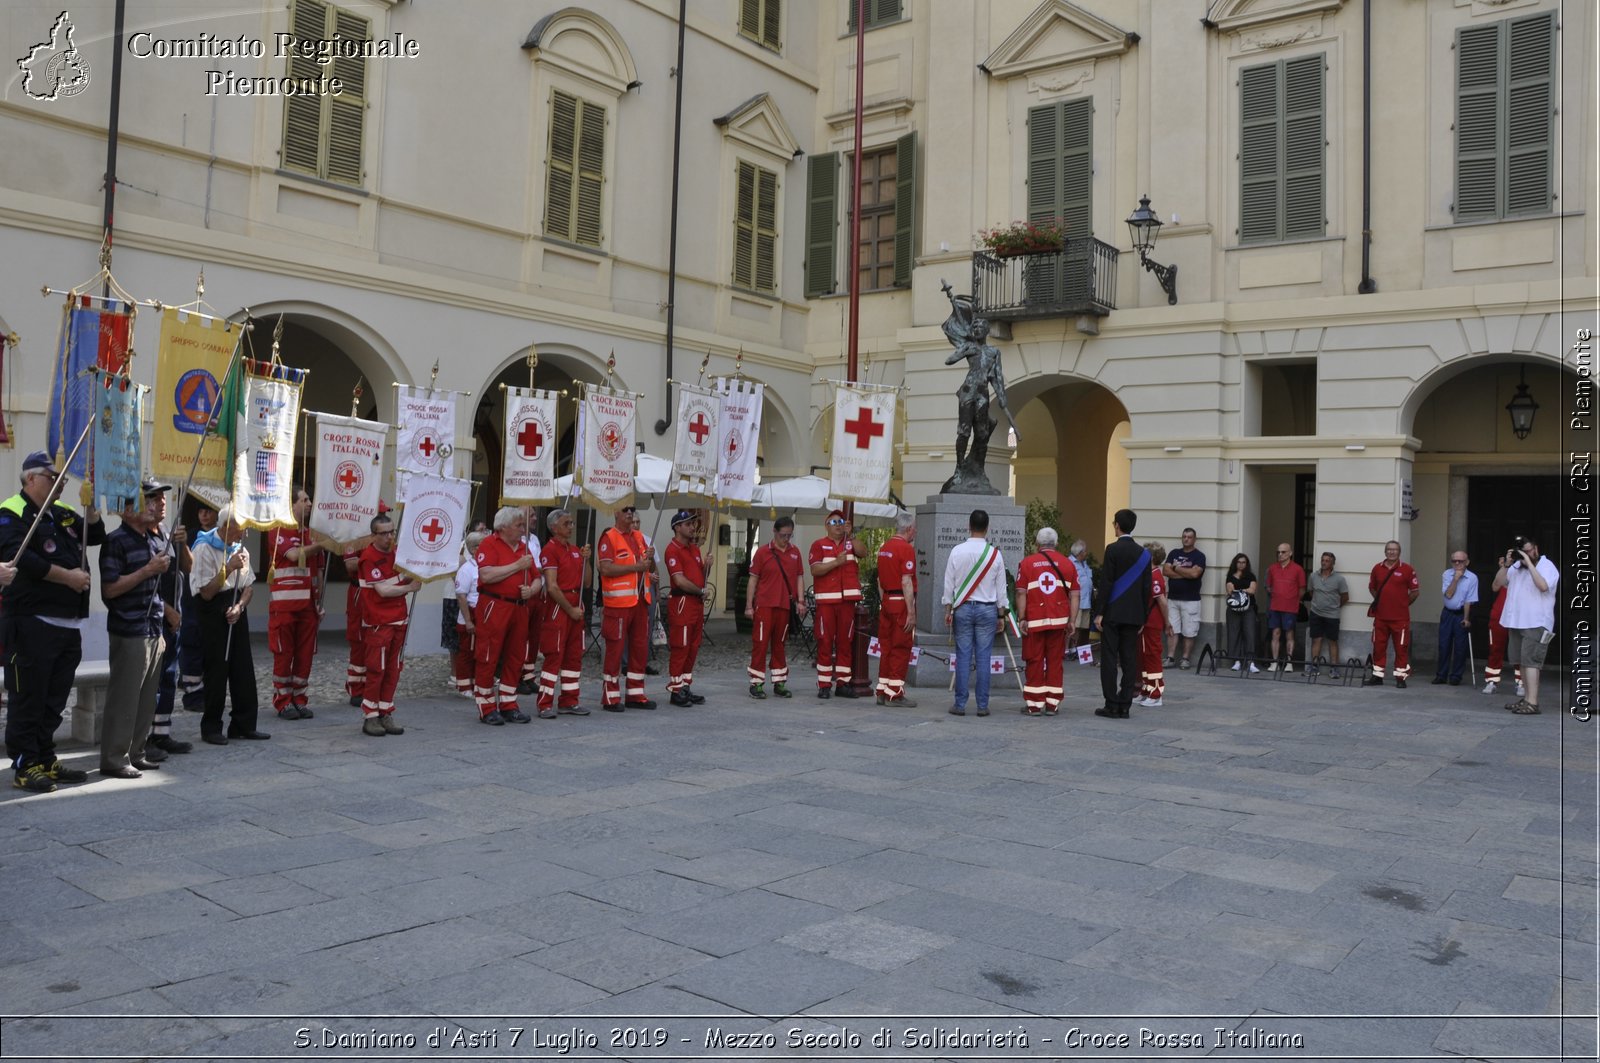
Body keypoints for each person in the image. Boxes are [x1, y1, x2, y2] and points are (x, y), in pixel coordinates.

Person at [1, 451, 105, 791]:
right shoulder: (11, 512)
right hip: (32, 622)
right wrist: (69, 579)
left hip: (67, 624)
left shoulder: (61, 513)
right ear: (31, 478)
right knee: (28, 697)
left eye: (63, 478)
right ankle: (24, 763)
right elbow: (23, 560)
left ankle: (45, 757)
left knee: (54, 698)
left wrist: (90, 504)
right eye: (52, 477)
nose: (60, 483)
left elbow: (97, 534)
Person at [98, 480, 175, 778]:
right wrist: (147, 570)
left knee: (146, 699)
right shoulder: (116, 541)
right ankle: (115, 758)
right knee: (125, 697)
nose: (156, 504)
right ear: (128, 509)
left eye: (158, 499)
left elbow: (155, 589)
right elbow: (110, 590)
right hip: (129, 629)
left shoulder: (154, 540)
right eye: (150, 499)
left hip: (153, 628)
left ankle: (137, 752)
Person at [190, 504, 268, 744]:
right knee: (216, 669)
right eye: (239, 529)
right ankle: (211, 727)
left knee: (242, 667)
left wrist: (240, 606)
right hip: (212, 608)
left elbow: (248, 587)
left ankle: (243, 724)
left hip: (236, 606)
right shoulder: (204, 547)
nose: (243, 535)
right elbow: (206, 592)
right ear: (225, 526)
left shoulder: (241, 548)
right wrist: (229, 567)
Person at [472, 506, 540, 724]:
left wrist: (532, 590)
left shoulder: (524, 548)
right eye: (519, 525)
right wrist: (517, 565)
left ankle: (509, 704)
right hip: (495, 605)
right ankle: (486, 705)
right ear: (503, 527)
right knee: (488, 655)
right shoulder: (489, 544)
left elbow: (537, 577)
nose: (523, 529)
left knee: (515, 656)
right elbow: (486, 574)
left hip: (519, 607)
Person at [942, 509, 1008, 717]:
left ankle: (960, 704)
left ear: (968, 526)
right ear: (987, 528)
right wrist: (1001, 615)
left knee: (962, 657)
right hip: (987, 610)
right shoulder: (995, 554)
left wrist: (948, 608)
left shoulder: (956, 551)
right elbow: (1001, 590)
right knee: (983, 658)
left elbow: (948, 584)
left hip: (962, 608)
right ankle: (982, 705)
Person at [357, 513, 420, 735]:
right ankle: (370, 716)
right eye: (384, 533)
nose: (389, 537)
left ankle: (385, 711)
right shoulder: (369, 557)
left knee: (393, 669)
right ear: (373, 535)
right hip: (379, 622)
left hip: (398, 619)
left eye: (391, 532)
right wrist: (409, 588)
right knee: (377, 669)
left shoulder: (396, 554)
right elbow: (382, 590)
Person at [266, 486, 325, 720]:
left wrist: (319, 601)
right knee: (284, 653)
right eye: (305, 500)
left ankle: (299, 699)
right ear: (292, 505)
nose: (310, 503)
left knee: (305, 654)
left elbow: (318, 570)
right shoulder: (278, 528)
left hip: (308, 606)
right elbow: (293, 555)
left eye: (310, 499)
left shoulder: (313, 534)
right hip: (284, 606)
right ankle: (283, 701)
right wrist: (323, 544)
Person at [598, 504, 657, 711]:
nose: (630, 512)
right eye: (625, 509)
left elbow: (646, 566)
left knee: (640, 650)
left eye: (632, 509)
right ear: (615, 513)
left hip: (641, 601)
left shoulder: (640, 537)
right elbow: (605, 568)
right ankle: (610, 697)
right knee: (615, 651)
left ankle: (636, 694)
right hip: (618, 604)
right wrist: (636, 567)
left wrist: (649, 559)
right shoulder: (609, 537)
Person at [1093, 509, 1151, 719]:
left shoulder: (1112, 549)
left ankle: (1111, 703)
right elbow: (1147, 588)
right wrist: (1143, 616)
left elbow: (1106, 582)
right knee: (1129, 659)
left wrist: (1099, 612)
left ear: (1117, 525)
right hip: (1134, 615)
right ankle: (1125, 704)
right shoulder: (1144, 555)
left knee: (1109, 658)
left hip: (1113, 613)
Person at [1493, 537, 1558, 715]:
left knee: (1532, 663)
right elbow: (1498, 584)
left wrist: (1529, 564)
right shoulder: (1515, 568)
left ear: (1536, 549)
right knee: (1521, 662)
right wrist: (1506, 565)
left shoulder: (1546, 566)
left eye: (1528, 551)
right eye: (1522, 552)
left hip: (1536, 622)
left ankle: (1533, 702)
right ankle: (1527, 698)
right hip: (1516, 622)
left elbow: (1544, 586)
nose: (1525, 555)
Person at [1015, 527, 1077, 715]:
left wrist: (1022, 617)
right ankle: (1052, 704)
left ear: (1037, 543)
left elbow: (1020, 592)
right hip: (1059, 620)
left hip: (1035, 619)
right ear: (1056, 543)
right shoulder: (1067, 564)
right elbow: (1075, 594)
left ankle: (1034, 705)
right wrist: (1072, 620)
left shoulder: (1027, 563)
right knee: (1055, 661)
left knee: (1034, 660)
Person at [146, 504, 191, 760]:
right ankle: (146, 737)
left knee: (169, 677)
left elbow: (188, 567)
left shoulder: (167, 532)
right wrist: (169, 611)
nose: (162, 503)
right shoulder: (145, 536)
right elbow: (147, 583)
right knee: (153, 681)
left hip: (174, 618)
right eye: (154, 498)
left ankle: (162, 732)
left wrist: (183, 544)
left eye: (163, 497)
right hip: (156, 617)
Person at [536, 509, 590, 719]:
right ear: (554, 527)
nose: (571, 527)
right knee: (554, 655)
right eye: (567, 523)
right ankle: (544, 703)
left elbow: (586, 582)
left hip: (576, 603)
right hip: (560, 607)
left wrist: (587, 560)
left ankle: (569, 700)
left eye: (571, 523)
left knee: (574, 657)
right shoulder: (549, 550)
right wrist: (570, 609)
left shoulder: (575, 550)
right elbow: (551, 586)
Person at [745, 516, 805, 699]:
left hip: (784, 605)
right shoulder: (763, 552)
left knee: (780, 645)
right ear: (774, 532)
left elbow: (799, 577)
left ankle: (779, 682)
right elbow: (753, 579)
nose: (786, 539)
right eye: (783, 535)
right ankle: (756, 683)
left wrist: (801, 601)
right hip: (764, 605)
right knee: (761, 644)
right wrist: (749, 606)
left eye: (789, 535)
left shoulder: (795, 552)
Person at [809, 509, 862, 699]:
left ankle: (843, 683)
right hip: (826, 602)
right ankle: (824, 684)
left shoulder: (850, 543)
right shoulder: (819, 545)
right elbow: (815, 570)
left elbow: (863, 552)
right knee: (824, 641)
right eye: (834, 522)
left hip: (847, 602)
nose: (838, 525)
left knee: (845, 642)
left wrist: (852, 534)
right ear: (826, 526)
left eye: (841, 522)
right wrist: (835, 563)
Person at [340, 500, 386, 707]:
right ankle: (356, 689)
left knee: (375, 640)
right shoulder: (354, 537)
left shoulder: (386, 541)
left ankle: (372, 687)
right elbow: (350, 565)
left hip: (380, 593)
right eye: (380, 514)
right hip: (360, 591)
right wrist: (372, 559)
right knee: (358, 640)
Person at [664, 509, 709, 706]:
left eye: (693, 524)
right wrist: (699, 591)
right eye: (689, 524)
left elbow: (698, 575)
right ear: (677, 527)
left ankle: (685, 687)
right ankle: (675, 691)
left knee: (693, 646)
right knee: (680, 646)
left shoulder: (694, 549)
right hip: (683, 603)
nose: (693, 527)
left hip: (695, 605)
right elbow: (680, 580)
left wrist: (707, 567)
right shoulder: (672, 550)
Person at [875, 510, 918, 706]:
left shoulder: (884, 547)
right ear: (908, 529)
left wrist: (883, 600)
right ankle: (895, 693)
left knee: (886, 647)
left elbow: (879, 581)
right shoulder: (905, 549)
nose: (915, 532)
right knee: (901, 647)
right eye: (914, 529)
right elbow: (906, 581)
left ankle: (882, 690)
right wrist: (911, 612)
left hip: (886, 601)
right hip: (900, 602)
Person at [177, 499, 217, 710]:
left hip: (212, 600)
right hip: (191, 600)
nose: (204, 515)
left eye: (208, 511)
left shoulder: (221, 536)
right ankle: (192, 696)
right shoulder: (191, 536)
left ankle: (209, 693)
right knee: (191, 649)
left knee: (209, 650)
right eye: (201, 511)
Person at [1363, 540, 1420, 688]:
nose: (1391, 552)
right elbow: (1372, 588)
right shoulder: (1377, 568)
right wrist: (1380, 601)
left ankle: (1400, 677)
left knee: (1401, 648)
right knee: (1378, 647)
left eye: (1394, 550)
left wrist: (1402, 604)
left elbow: (1415, 592)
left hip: (1400, 618)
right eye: (1389, 549)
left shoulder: (1407, 569)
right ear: (1385, 551)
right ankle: (1377, 676)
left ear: (1399, 552)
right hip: (1381, 617)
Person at [1432, 549, 1478, 686]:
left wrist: (1466, 618)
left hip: (1461, 614)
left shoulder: (1472, 578)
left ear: (1467, 562)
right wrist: (1456, 578)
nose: (1457, 563)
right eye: (1454, 561)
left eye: (1461, 561)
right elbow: (1449, 595)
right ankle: (1441, 675)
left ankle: (1456, 676)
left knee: (1460, 647)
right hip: (1447, 613)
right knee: (1444, 645)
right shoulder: (1447, 574)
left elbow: (1469, 600)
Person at [1161, 528, 1205, 668]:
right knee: (1172, 629)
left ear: (1194, 539)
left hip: (1191, 600)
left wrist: (1176, 568)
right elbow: (1165, 570)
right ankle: (1170, 657)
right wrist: (1186, 572)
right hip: (1173, 598)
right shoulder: (1174, 553)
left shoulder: (1199, 556)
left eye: (1189, 537)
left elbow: (1195, 575)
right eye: (1184, 536)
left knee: (1189, 630)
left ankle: (1185, 659)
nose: (1186, 539)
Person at [452, 530, 487, 699]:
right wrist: (468, 621)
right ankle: (464, 685)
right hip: (470, 614)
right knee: (467, 652)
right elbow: (461, 596)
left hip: (483, 613)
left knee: (479, 652)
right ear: (474, 549)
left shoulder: (486, 566)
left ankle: (477, 682)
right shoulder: (467, 569)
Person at [1264, 543, 1306, 672]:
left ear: (1290, 553)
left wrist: (1294, 600)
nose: (1280, 554)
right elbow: (1268, 587)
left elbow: (1302, 589)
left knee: (1289, 634)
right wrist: (1277, 595)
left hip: (1290, 607)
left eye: (1283, 552)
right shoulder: (1272, 568)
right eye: (1278, 552)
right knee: (1275, 634)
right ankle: (1274, 662)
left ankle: (1289, 662)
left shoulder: (1298, 569)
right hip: (1275, 606)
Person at [1305, 551, 1348, 676]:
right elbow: (1311, 592)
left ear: (1333, 563)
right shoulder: (1313, 576)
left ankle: (1334, 668)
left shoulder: (1339, 579)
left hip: (1332, 615)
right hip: (1316, 613)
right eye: (1322, 560)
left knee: (1332, 641)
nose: (1324, 563)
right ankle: (1314, 667)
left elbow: (1345, 597)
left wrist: (1334, 606)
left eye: (1327, 561)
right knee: (1316, 639)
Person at [1138, 542, 1169, 707]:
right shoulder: (1150, 573)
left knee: (1152, 655)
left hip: (1152, 621)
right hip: (1147, 621)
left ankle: (1156, 693)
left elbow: (1162, 601)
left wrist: (1168, 623)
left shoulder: (1155, 575)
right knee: (1145, 656)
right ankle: (1147, 688)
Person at [1481, 582, 1524, 697]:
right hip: (1499, 614)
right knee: (1495, 649)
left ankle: (1521, 682)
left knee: (1519, 650)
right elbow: (1495, 586)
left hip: (1519, 614)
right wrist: (1505, 566)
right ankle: (1491, 680)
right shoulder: (1507, 568)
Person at [519, 513, 544, 696]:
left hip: (537, 590)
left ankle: (529, 674)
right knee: (522, 635)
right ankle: (516, 675)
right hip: (525, 590)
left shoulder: (534, 539)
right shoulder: (517, 539)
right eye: (532, 514)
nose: (535, 518)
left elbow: (539, 563)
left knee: (534, 636)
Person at [1224, 553, 1260, 673]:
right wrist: (1243, 591)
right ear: (1235, 563)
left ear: (1247, 564)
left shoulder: (1251, 576)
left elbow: (1252, 590)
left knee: (1250, 633)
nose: (1241, 564)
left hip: (1249, 608)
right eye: (1239, 562)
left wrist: (1240, 590)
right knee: (1234, 633)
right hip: (1233, 609)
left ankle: (1250, 662)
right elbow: (1229, 589)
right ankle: (1236, 661)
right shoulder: (1230, 576)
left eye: (1243, 562)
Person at [1068, 539, 1093, 647]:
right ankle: (1067, 650)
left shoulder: (1084, 563)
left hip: (1086, 601)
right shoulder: (1069, 563)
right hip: (1076, 601)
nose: (1086, 553)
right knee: (1073, 626)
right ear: (1080, 553)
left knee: (1082, 627)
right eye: (1085, 551)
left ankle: (1076, 649)